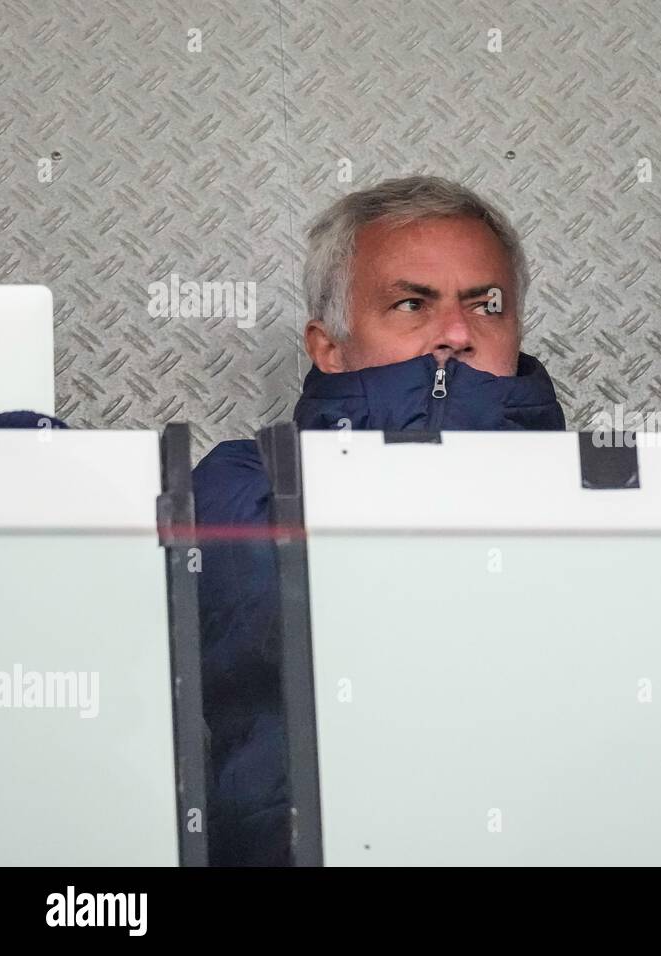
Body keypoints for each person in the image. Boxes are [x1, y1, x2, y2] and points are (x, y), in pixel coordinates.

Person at [194, 176, 566, 865]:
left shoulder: (601, 498)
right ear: (327, 346)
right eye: (410, 303)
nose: (456, 333)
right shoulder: (240, 488)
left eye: (487, 304)